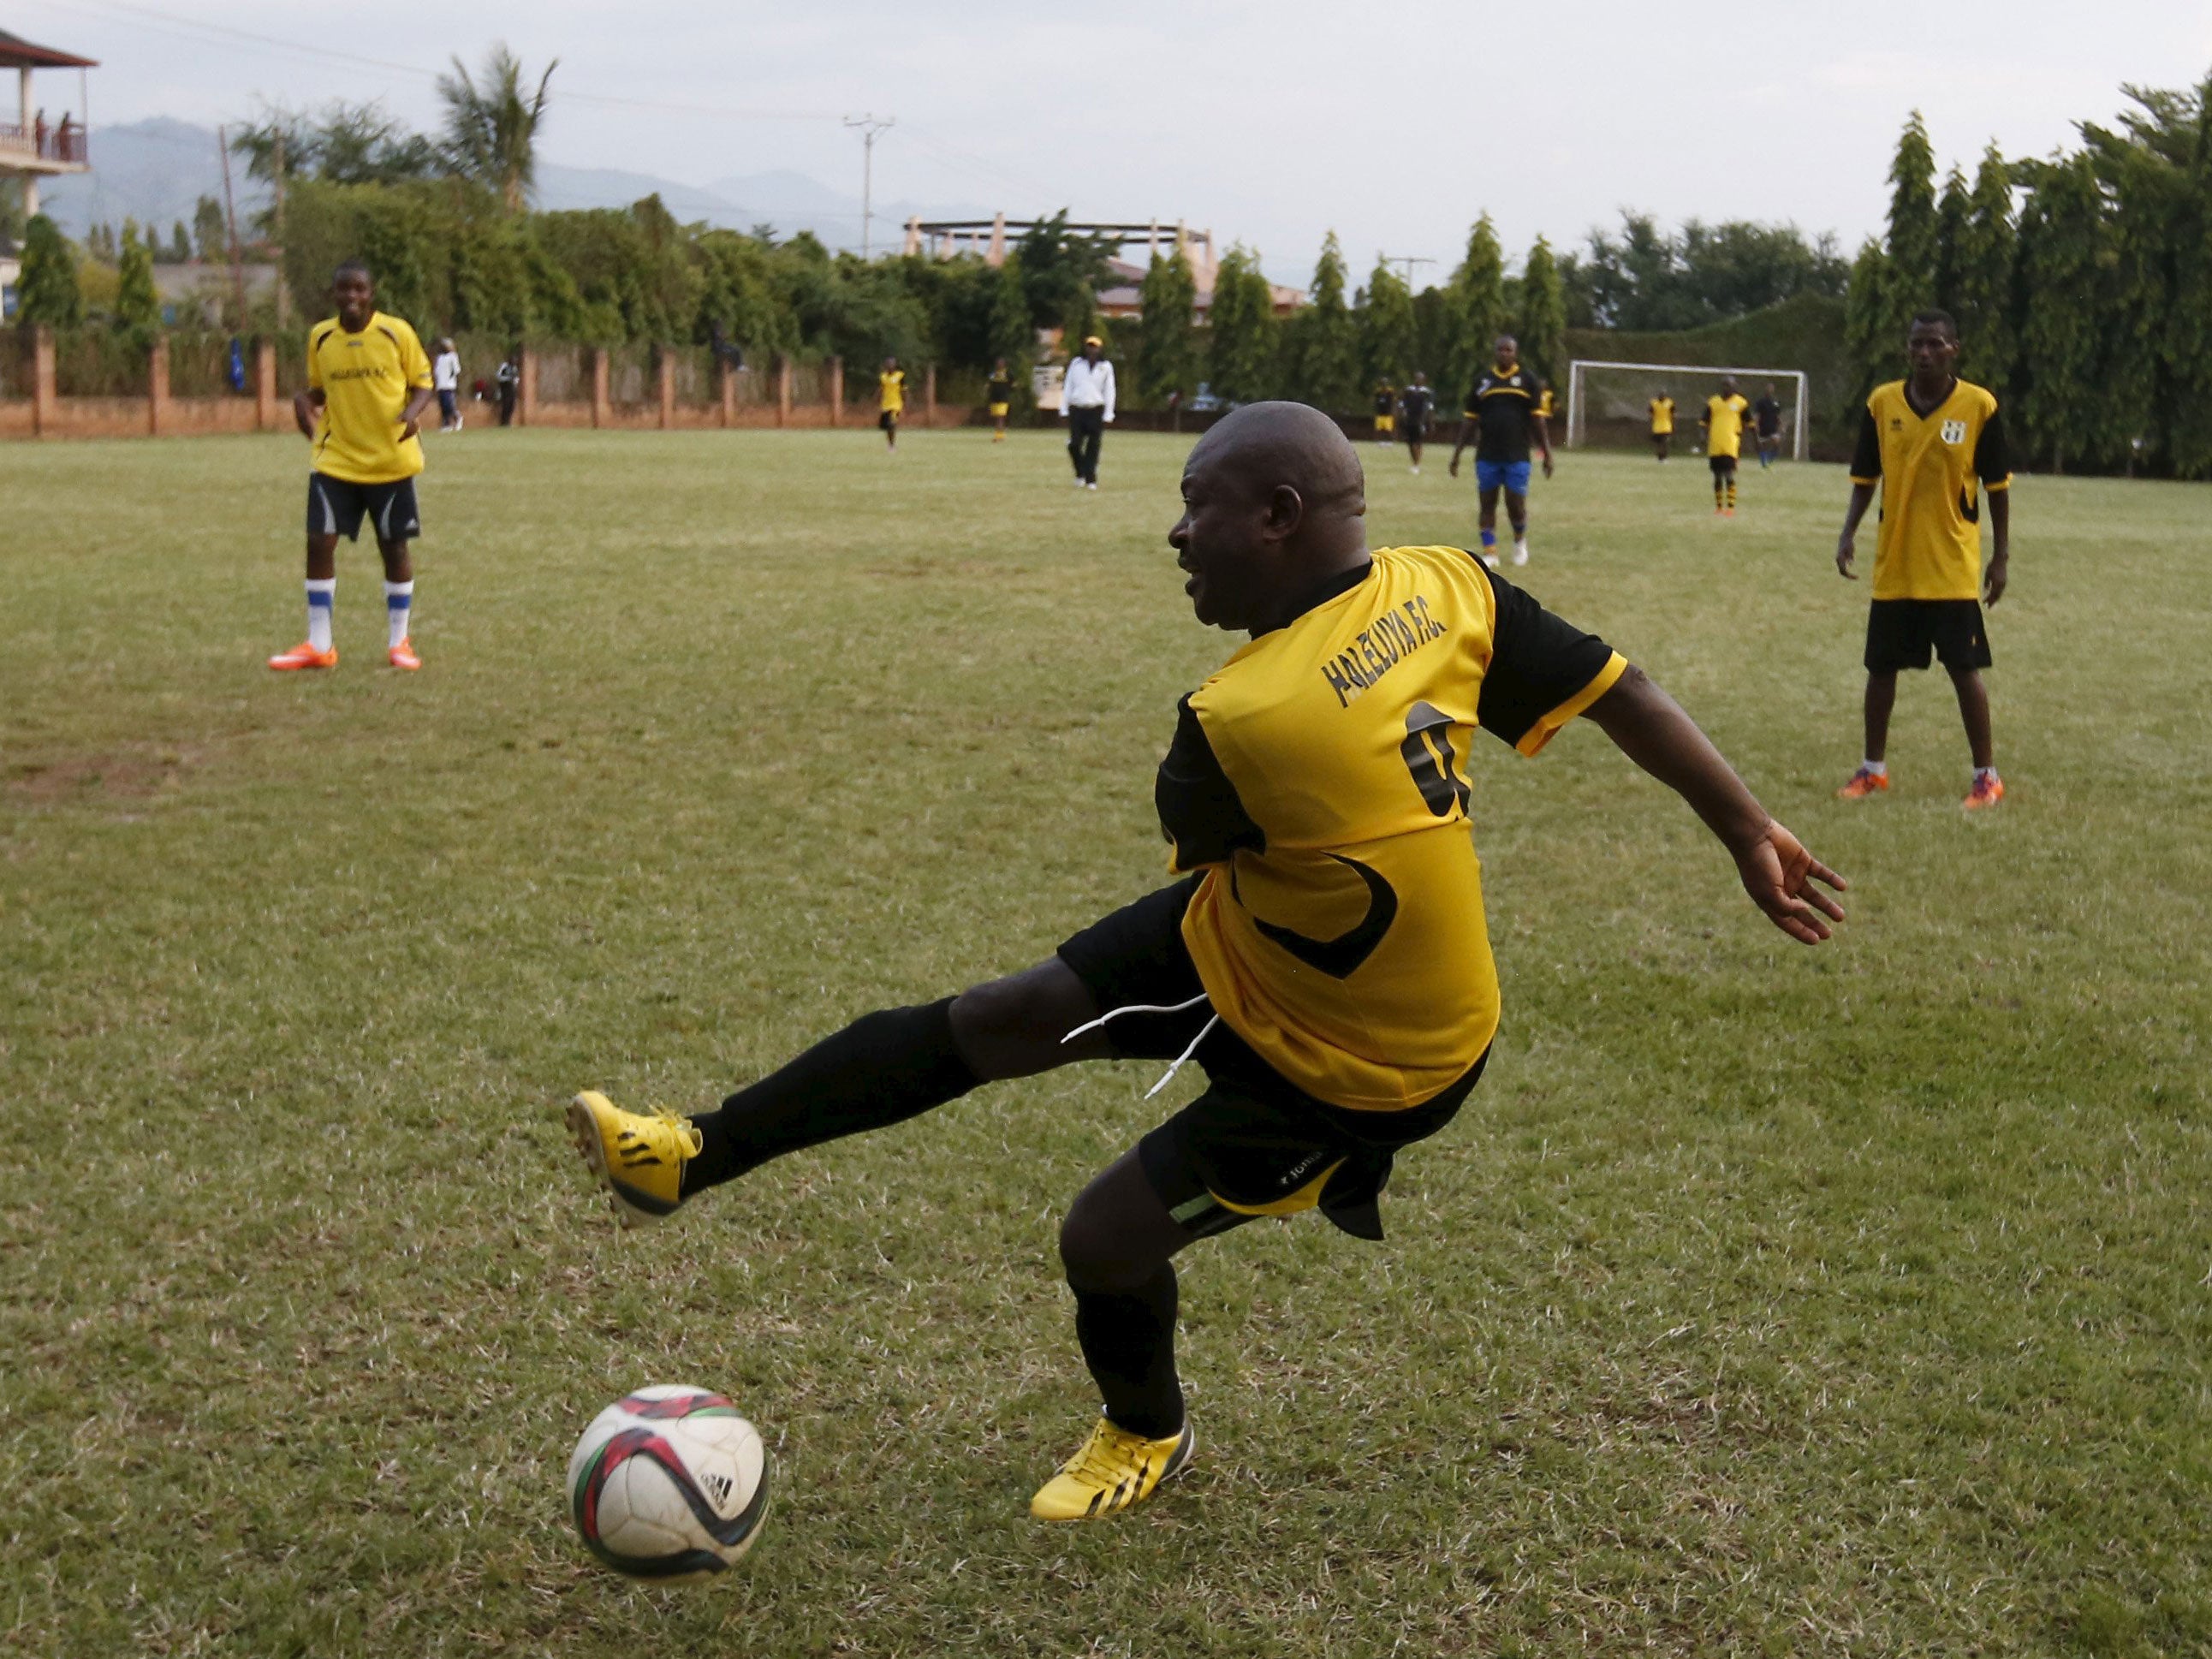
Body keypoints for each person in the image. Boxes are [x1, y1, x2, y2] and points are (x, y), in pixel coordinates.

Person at [566, 401, 1846, 1525]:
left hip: (1373, 1061)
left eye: (1199, 506)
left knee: (1104, 1236)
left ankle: (1148, 1427)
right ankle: (687, 1157)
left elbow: (1222, 824)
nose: (1177, 533)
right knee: (1000, 1016)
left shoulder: (1240, 719)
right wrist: (1746, 827)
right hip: (1254, 935)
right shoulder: (1445, 586)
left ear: (1279, 515)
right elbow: (1619, 685)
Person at [1834, 309, 2012, 811]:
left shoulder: (1979, 405)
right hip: (1895, 563)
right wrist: (1848, 532)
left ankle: (1986, 776)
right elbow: (1865, 477)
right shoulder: (1882, 403)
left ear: (1954, 348)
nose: (1925, 353)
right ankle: (1872, 770)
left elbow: (1997, 487)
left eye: (1935, 344)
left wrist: (2000, 558)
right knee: (1880, 669)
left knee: (1964, 668)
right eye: (1917, 344)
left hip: (1952, 566)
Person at [269, 260, 435, 674]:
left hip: (390, 461)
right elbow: (319, 390)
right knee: (319, 542)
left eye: (359, 289)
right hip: (337, 459)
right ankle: (319, 644)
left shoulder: (396, 333)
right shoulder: (321, 337)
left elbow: (424, 383)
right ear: (334, 294)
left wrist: (412, 414)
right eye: (344, 290)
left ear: (371, 293)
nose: (351, 297)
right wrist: (302, 402)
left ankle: (400, 642)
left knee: (393, 547)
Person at [1448, 335, 1554, 568]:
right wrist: (1457, 454)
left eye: (1509, 350)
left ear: (1516, 353)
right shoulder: (1482, 382)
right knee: (1487, 503)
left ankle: (1519, 541)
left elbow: (1538, 421)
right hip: (1487, 455)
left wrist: (1547, 453)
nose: (1505, 354)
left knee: (1515, 504)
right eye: (1501, 350)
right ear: (1494, 352)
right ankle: (1490, 551)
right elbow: (1469, 422)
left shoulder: (1527, 381)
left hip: (1517, 455)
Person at [1061, 336, 1115, 488]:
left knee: (1093, 446)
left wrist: (1109, 413)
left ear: (1100, 349)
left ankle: (1090, 479)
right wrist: (1064, 409)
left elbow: (1109, 390)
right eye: (1089, 347)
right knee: (1074, 444)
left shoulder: (1105, 367)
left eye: (1095, 347)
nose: (1092, 350)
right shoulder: (1076, 364)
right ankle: (1080, 472)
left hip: (1095, 409)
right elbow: (1068, 386)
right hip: (1077, 409)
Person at [1700, 377, 1750, 515]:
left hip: (1730, 445)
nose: (1728, 388)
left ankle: (1731, 508)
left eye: (1730, 386)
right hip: (1715, 444)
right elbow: (1703, 422)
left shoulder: (1741, 403)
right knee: (1717, 477)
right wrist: (1703, 436)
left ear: (1735, 387)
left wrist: (1756, 442)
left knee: (1728, 475)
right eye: (1725, 386)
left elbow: (1750, 423)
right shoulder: (1713, 402)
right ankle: (1719, 507)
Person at [1397, 372, 1434, 473]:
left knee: (1417, 442)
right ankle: (1414, 461)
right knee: (1409, 442)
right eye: (1417, 378)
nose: (1418, 380)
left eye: (1420, 378)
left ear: (1424, 380)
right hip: (1409, 419)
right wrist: (1400, 416)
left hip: (1420, 420)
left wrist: (1430, 422)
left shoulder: (1426, 393)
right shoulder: (1408, 390)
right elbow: (1401, 403)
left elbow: (1430, 408)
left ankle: (1416, 464)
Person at [432, 337, 462, 432]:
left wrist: (450, 377)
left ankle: (457, 417)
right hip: (441, 385)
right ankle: (446, 425)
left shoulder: (453, 357)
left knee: (449, 405)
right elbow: (437, 371)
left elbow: (457, 369)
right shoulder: (440, 357)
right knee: (443, 406)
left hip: (449, 385)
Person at [1752, 382, 1784, 469]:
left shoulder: (1776, 402)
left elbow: (1778, 415)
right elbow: (1757, 415)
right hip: (1763, 426)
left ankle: (1770, 457)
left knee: (1777, 442)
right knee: (1763, 445)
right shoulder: (1760, 402)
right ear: (1765, 389)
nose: (1770, 390)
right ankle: (1764, 462)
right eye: (1768, 388)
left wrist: (1781, 425)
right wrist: (1756, 425)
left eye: (1772, 388)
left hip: (1773, 426)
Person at [878, 355, 906, 452]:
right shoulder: (883, 377)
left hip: (896, 404)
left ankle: (892, 446)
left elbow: (904, 390)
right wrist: (878, 400)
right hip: (886, 404)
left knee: (891, 423)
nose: (890, 365)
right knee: (884, 426)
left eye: (892, 363)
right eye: (888, 363)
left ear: (895, 365)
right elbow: (881, 389)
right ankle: (890, 444)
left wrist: (905, 402)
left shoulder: (900, 375)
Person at [986, 358, 1014, 443]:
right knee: (997, 418)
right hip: (994, 399)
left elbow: (1013, 384)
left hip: (1003, 399)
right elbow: (989, 384)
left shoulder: (1008, 374)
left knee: (1000, 417)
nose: (999, 365)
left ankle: (997, 437)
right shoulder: (993, 374)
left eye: (1001, 363)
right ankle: (1001, 436)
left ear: (1004, 364)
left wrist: (1008, 390)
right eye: (998, 363)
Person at [495, 351, 520, 427]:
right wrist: (508, 379)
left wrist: (515, 381)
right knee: (505, 405)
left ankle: (508, 421)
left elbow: (516, 378)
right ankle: (503, 422)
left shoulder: (514, 368)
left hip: (512, 389)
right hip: (504, 388)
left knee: (512, 405)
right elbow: (498, 376)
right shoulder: (504, 366)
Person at [1649, 389, 1674, 461]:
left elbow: (1673, 413)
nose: (1662, 396)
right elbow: (1650, 413)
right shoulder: (1654, 403)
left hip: (1666, 426)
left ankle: (1664, 457)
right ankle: (1659, 457)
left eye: (1663, 395)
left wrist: (1673, 424)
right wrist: (1651, 420)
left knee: (1665, 442)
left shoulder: (1670, 402)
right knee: (1658, 443)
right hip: (1657, 426)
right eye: (1660, 395)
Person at [1371, 380, 1396, 446]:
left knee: (1388, 430)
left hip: (1387, 414)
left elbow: (1393, 401)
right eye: (1382, 383)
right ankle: (1380, 441)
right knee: (1379, 429)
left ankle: (1390, 441)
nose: (1384, 385)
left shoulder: (1390, 392)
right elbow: (1375, 401)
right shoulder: (1378, 392)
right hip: (1380, 413)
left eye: (1385, 383)